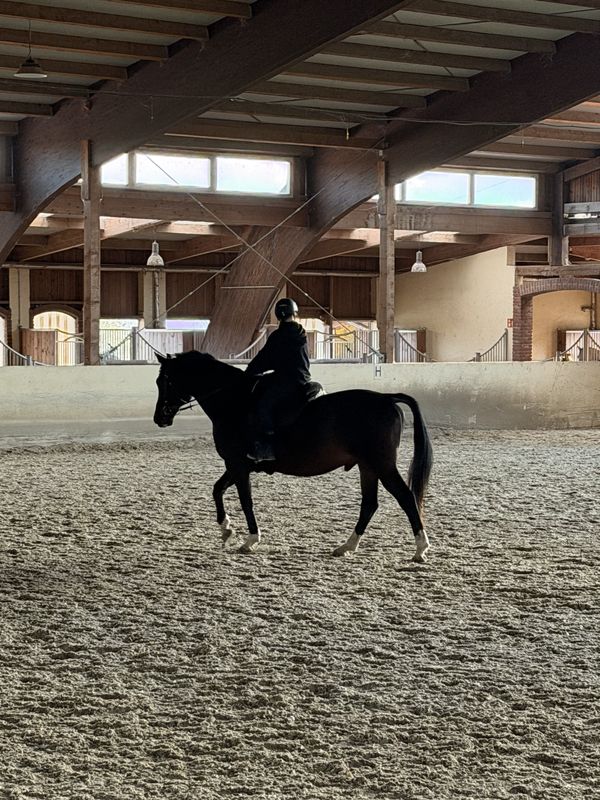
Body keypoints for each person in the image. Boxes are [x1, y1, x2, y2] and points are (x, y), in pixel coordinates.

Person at [246, 298, 312, 462]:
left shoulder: (279, 335)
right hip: (303, 377)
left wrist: (250, 372)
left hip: (286, 380)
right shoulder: (301, 332)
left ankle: (267, 446)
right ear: (294, 313)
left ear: (277, 315)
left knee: (263, 405)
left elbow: (264, 359)